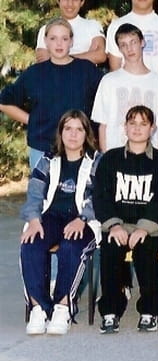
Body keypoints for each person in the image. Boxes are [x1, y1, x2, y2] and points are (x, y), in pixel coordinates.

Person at [94, 105, 158, 334]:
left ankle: (149, 309)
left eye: (143, 124)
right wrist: (114, 225)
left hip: (152, 226)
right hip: (119, 224)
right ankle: (110, 310)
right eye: (132, 123)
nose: (137, 128)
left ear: (152, 128)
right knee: (110, 248)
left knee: (145, 248)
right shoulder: (110, 158)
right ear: (125, 127)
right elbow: (101, 196)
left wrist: (144, 228)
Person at [19, 110, 100, 335]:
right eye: (68, 129)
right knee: (31, 243)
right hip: (52, 216)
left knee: (71, 246)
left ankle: (63, 307)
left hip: (84, 220)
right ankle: (39, 308)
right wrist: (34, 219)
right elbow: (34, 193)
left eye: (79, 129)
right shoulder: (48, 160)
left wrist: (82, 219)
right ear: (61, 132)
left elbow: (100, 196)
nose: (73, 135)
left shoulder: (96, 161)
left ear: (86, 134)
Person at [0, 17, 102, 168]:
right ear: (46, 42)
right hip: (42, 149)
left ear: (71, 42)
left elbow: (106, 101)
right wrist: (32, 120)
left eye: (64, 38)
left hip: (80, 150)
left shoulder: (87, 70)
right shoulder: (34, 73)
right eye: (53, 38)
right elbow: (4, 102)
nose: (59, 44)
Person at [91, 23, 158, 151]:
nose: (129, 49)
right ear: (119, 49)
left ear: (142, 43)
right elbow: (103, 125)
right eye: (124, 45)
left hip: (150, 154)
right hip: (116, 153)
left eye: (133, 42)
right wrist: (105, 157)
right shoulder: (109, 81)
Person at [34, 0, 106, 65]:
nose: (70, 4)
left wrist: (59, 57)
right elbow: (43, 60)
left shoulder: (93, 26)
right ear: (58, 0)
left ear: (82, 2)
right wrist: (87, 56)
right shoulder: (46, 29)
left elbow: (100, 55)